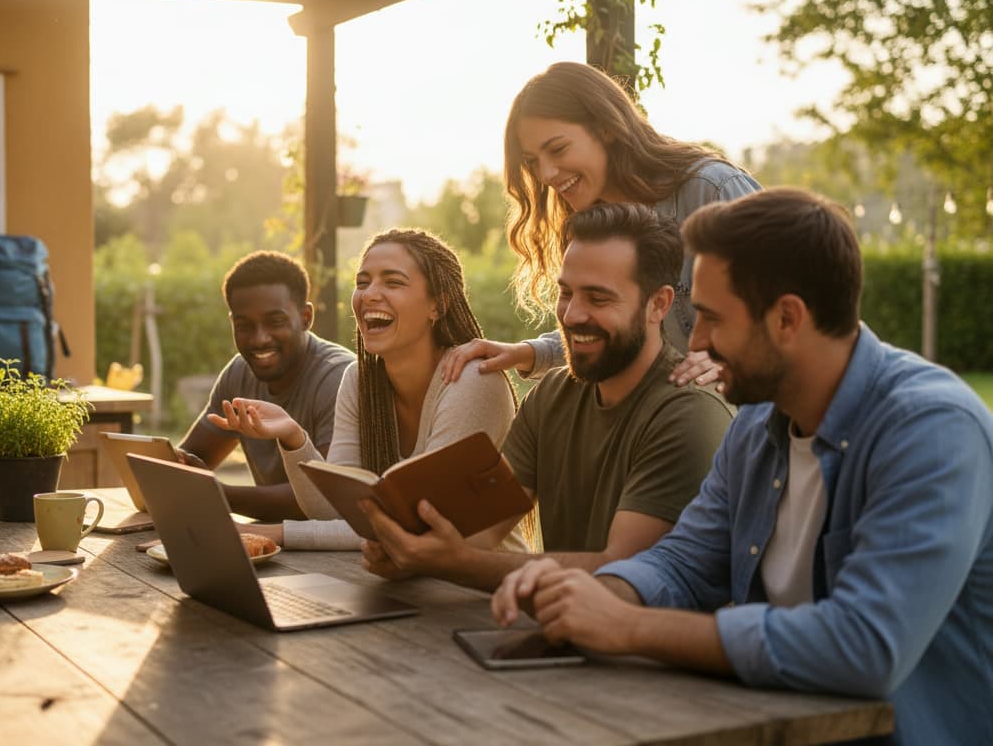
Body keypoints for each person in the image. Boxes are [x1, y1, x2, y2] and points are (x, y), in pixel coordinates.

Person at [492, 188, 993, 745]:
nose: (697, 341)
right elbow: (684, 563)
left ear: (786, 319)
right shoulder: (757, 427)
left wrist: (630, 626)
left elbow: (865, 646)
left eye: (710, 318)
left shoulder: (931, 431)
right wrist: (591, 594)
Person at [360, 204, 733, 589]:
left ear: (659, 305)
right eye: (566, 293)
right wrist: (410, 551)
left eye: (598, 299)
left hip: (650, 644)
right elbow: (480, 531)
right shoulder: (552, 396)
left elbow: (620, 570)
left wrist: (451, 562)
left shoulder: (688, 415)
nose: (572, 315)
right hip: (559, 629)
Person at [441, 61, 760, 387]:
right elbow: (613, 326)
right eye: (533, 162)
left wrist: (730, 352)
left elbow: (801, 295)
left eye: (558, 149)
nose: (547, 174)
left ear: (606, 128)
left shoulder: (711, 188)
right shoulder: (591, 222)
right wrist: (527, 353)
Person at [210, 229, 527, 551]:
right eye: (363, 283)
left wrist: (274, 533)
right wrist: (293, 437)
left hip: (485, 590)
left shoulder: (473, 379)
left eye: (393, 282)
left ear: (438, 304)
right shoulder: (360, 380)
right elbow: (333, 511)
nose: (370, 295)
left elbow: (415, 528)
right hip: (398, 582)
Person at [176, 250, 353, 521]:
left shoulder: (338, 377)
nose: (259, 339)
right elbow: (191, 459)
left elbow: (325, 496)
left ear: (306, 317)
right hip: (274, 543)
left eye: (275, 322)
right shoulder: (239, 373)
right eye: (244, 325)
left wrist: (222, 495)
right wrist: (169, 466)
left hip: (333, 554)